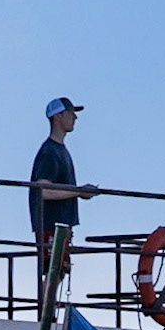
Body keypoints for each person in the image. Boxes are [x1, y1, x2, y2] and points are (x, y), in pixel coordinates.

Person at [29, 97, 99, 282]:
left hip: (59, 225)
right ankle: (46, 310)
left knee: (57, 272)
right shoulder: (50, 152)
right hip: (52, 225)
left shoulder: (59, 150)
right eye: (70, 113)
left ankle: (48, 309)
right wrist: (78, 191)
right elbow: (43, 191)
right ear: (58, 116)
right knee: (53, 272)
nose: (75, 117)